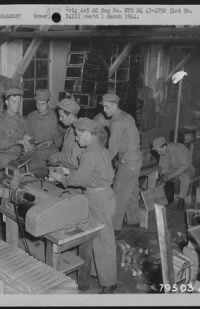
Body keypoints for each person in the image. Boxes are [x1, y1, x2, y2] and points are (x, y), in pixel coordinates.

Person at [60, 118, 117, 294]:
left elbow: (80, 179)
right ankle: (98, 274)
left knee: (104, 240)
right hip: (102, 195)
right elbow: (91, 172)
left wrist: (62, 178)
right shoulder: (99, 148)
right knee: (96, 238)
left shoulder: (90, 153)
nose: (76, 139)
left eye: (78, 135)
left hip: (98, 199)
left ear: (87, 133)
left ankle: (109, 283)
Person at [101, 93, 143, 231]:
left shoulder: (117, 122)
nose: (104, 110)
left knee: (118, 196)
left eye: (106, 107)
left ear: (114, 105)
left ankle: (114, 229)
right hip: (135, 159)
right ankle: (134, 222)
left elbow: (112, 149)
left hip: (128, 162)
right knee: (131, 193)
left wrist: (100, 163)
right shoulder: (126, 116)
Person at [0, 86, 33, 170]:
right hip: (5, 161)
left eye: (18, 102)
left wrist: (28, 138)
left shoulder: (22, 120)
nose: (17, 105)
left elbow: (27, 134)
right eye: (14, 102)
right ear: (7, 102)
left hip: (21, 159)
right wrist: (17, 141)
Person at [152, 137, 195, 210]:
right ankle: (157, 197)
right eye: (157, 151)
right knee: (155, 176)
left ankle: (181, 199)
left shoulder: (178, 148)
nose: (159, 153)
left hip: (186, 169)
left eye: (159, 151)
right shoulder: (163, 152)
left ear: (165, 146)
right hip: (173, 169)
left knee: (185, 177)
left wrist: (170, 176)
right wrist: (162, 176)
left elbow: (185, 166)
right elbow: (163, 166)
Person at [26, 89, 62, 171]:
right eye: (37, 104)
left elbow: (63, 137)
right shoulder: (30, 117)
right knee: (35, 175)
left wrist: (52, 141)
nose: (39, 107)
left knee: (55, 175)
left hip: (53, 153)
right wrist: (34, 144)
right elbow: (27, 136)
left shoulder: (57, 117)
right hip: (36, 154)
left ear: (48, 103)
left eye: (42, 104)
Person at [48, 98, 83, 169]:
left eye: (62, 116)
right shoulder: (69, 129)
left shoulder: (79, 133)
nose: (60, 119)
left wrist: (59, 156)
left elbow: (76, 162)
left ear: (71, 115)